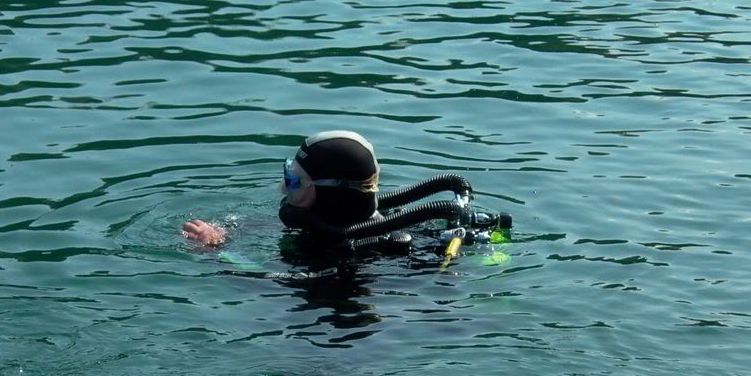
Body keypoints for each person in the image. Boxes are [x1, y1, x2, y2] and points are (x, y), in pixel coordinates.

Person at [184, 130, 510, 253]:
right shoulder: (322, 223)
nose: (283, 187)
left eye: (294, 181)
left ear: (329, 193)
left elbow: (266, 285)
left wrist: (220, 256)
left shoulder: (350, 252)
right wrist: (222, 235)